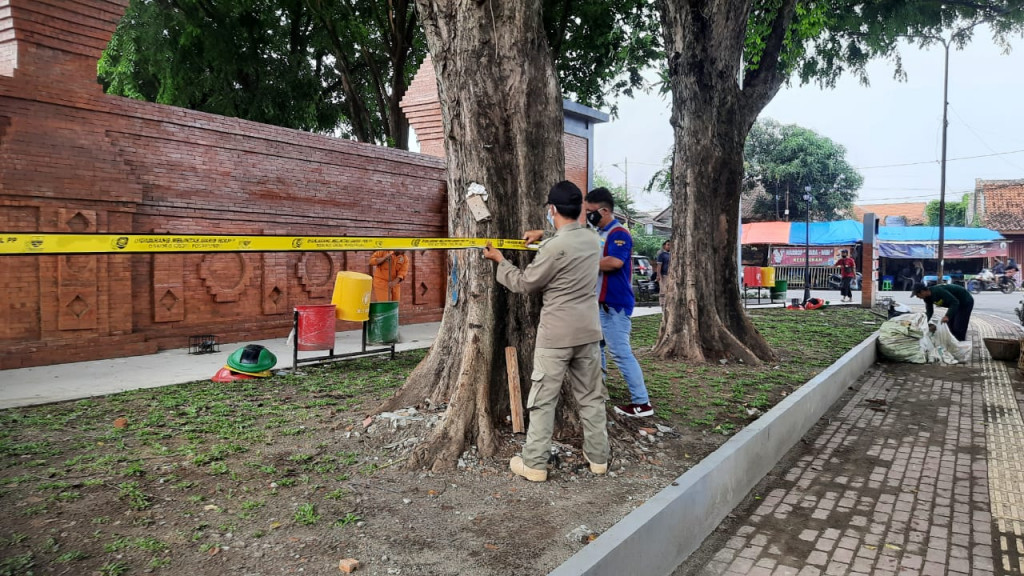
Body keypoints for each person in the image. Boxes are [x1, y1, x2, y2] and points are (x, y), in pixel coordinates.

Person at [482, 180, 609, 482]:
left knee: (543, 401)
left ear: (552, 209)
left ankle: (535, 463)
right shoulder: (593, 239)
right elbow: (568, 240)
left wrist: (500, 261)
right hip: (589, 332)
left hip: (556, 336)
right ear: (579, 208)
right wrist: (546, 233)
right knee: (592, 397)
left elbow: (526, 283)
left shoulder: (554, 247)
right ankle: (599, 458)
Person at [584, 187, 653, 418]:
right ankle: (599, 390)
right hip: (599, 303)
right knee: (597, 348)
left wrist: (581, 261)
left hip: (614, 305)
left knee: (620, 352)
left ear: (604, 211)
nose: (588, 215)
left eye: (591, 211)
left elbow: (614, 263)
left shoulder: (619, 233)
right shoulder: (598, 232)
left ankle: (641, 403)